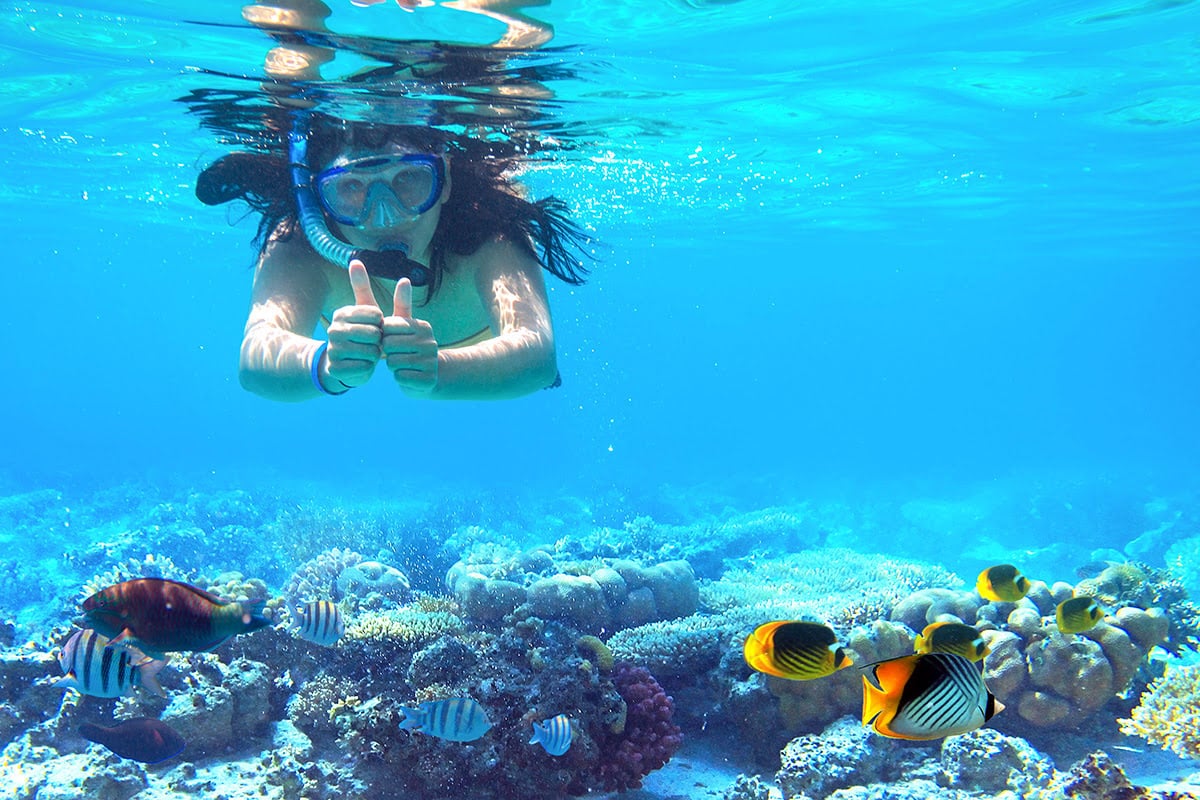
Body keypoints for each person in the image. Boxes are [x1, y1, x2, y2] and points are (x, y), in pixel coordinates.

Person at [195, 110, 591, 402]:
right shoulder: (300, 244)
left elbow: (538, 357)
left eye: (408, 181)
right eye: (350, 189)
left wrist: (441, 370)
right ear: (319, 199)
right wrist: (325, 364)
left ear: (445, 181)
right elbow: (254, 356)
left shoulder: (490, 236)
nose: (384, 216)